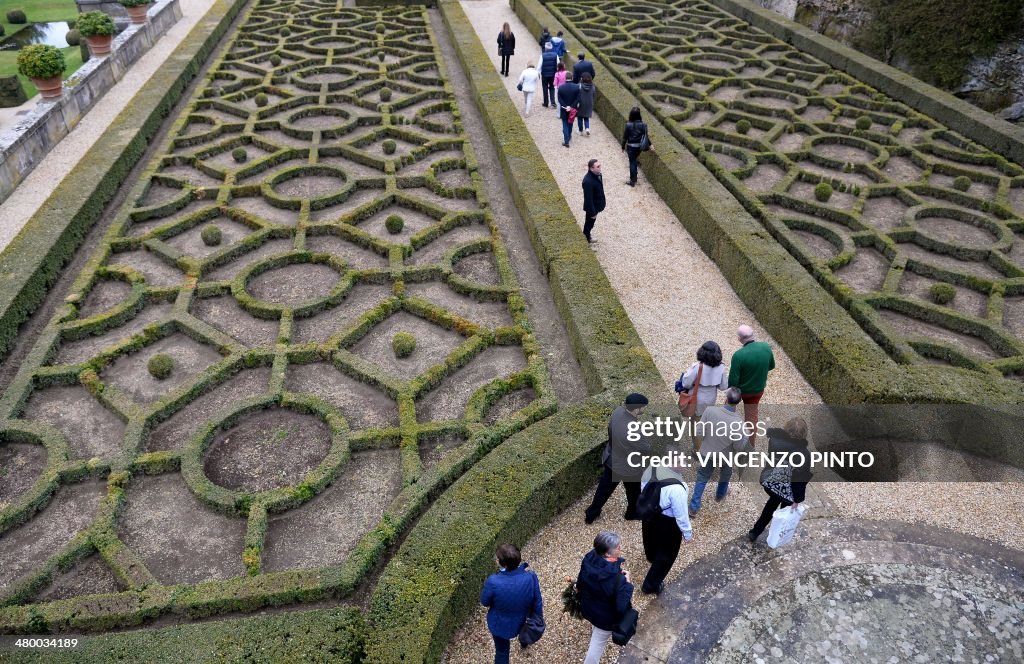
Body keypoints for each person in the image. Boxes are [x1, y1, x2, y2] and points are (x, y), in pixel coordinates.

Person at [584, 393, 648, 524]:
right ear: (636, 409)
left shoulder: (618, 411)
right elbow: (644, 448)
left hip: (611, 459)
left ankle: (591, 513)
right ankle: (631, 513)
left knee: (604, 489)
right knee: (633, 492)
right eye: (643, 407)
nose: (644, 409)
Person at [748, 417, 812, 542]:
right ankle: (776, 534)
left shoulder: (774, 441)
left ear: (786, 429)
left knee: (771, 505)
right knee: (784, 511)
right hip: (789, 490)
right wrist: (798, 499)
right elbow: (800, 479)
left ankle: (755, 532)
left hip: (771, 482)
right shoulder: (803, 454)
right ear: (804, 434)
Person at [480, 543, 543, 664]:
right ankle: (525, 641)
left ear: (501, 563)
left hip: (499, 625)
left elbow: (484, 602)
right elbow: (537, 601)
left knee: (502, 652)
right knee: (525, 630)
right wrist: (538, 621)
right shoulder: (530, 577)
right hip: (523, 620)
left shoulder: (493, 581)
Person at [689, 387, 747, 516]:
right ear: (738, 402)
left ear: (725, 399)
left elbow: (699, 432)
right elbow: (739, 447)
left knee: (702, 477)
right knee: (725, 475)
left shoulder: (710, 411)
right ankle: (720, 495)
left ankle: (693, 507)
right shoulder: (739, 423)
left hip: (707, 453)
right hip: (725, 457)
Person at [577, 531, 634, 664]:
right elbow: (621, 608)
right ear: (607, 554)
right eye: (618, 547)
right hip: (604, 619)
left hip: (588, 607)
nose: (621, 548)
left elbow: (580, 583)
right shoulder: (617, 579)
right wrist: (628, 584)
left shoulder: (589, 557)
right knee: (596, 646)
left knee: (595, 628)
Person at [639, 460, 692, 595]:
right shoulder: (678, 488)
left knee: (649, 538)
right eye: (683, 462)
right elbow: (681, 515)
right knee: (667, 554)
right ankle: (650, 585)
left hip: (649, 514)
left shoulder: (651, 468)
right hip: (667, 522)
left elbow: (644, 488)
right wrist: (687, 534)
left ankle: (651, 557)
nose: (686, 465)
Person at [675, 340, 730, 450]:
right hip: (711, 397)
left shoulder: (697, 367)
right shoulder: (721, 368)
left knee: (696, 423)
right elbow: (723, 386)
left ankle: (698, 449)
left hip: (697, 397)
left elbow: (686, 383)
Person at [728, 325, 775, 447]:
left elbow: (733, 381)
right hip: (758, 390)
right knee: (752, 418)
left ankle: (725, 439)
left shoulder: (738, 355)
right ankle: (750, 445)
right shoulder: (766, 347)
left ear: (739, 339)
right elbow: (771, 366)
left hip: (740, 391)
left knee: (726, 412)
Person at [621, 106, 652, 187]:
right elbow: (646, 137)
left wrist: (622, 146)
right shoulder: (644, 125)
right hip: (639, 147)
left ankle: (632, 181)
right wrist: (651, 144)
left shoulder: (628, 125)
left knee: (632, 162)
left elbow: (625, 137)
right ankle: (635, 173)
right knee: (634, 160)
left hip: (631, 147)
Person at [580, 158, 605, 244]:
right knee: (589, 223)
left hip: (596, 205)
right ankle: (585, 239)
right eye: (598, 166)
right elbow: (588, 199)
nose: (600, 168)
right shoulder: (588, 181)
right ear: (591, 168)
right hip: (592, 207)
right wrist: (593, 212)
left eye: (600, 165)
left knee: (590, 223)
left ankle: (587, 236)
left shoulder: (596, 174)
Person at [557, 76, 581, 148]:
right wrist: (571, 107)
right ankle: (569, 136)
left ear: (565, 78)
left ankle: (566, 140)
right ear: (572, 78)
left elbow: (559, 99)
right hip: (573, 109)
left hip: (564, 109)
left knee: (565, 124)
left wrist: (565, 106)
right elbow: (578, 99)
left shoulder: (561, 87)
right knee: (570, 122)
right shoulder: (576, 87)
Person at [539, 43, 558, 109]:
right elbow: (558, 64)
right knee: (552, 88)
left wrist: (538, 74)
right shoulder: (556, 55)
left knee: (545, 88)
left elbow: (539, 66)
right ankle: (553, 103)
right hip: (553, 74)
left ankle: (546, 103)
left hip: (544, 74)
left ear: (546, 48)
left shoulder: (542, 55)